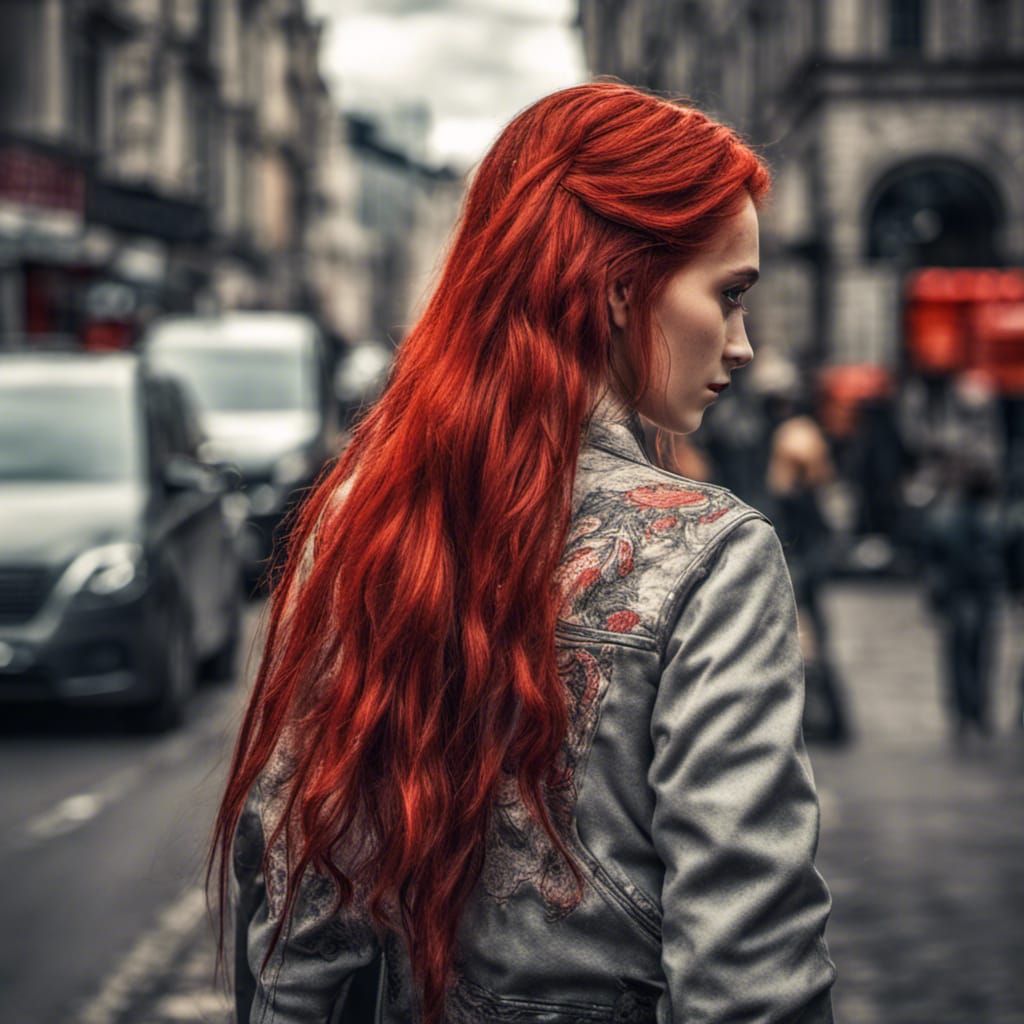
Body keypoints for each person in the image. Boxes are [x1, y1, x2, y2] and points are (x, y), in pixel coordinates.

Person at [207, 81, 836, 1024]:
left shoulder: (357, 518)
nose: (743, 344)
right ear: (622, 286)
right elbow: (749, 972)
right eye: (730, 294)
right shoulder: (713, 557)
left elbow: (299, 921)